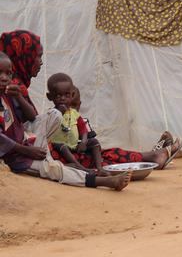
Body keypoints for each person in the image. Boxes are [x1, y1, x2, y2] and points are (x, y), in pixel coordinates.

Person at [0, 52, 131, 191]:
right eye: (0, 73)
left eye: (8, 74)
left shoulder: (8, 94)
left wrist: (19, 96)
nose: (4, 78)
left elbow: (32, 118)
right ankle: (103, 181)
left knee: (55, 114)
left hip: (27, 143)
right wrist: (27, 151)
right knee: (55, 169)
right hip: (15, 155)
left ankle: (47, 159)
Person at [45, 73, 182, 170]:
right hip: (70, 156)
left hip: (82, 151)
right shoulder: (51, 116)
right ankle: (154, 155)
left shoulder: (75, 116)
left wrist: (85, 142)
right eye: (59, 96)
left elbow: (86, 136)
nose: (64, 101)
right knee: (109, 160)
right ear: (50, 97)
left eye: (69, 98)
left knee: (112, 153)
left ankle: (155, 155)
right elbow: (50, 138)